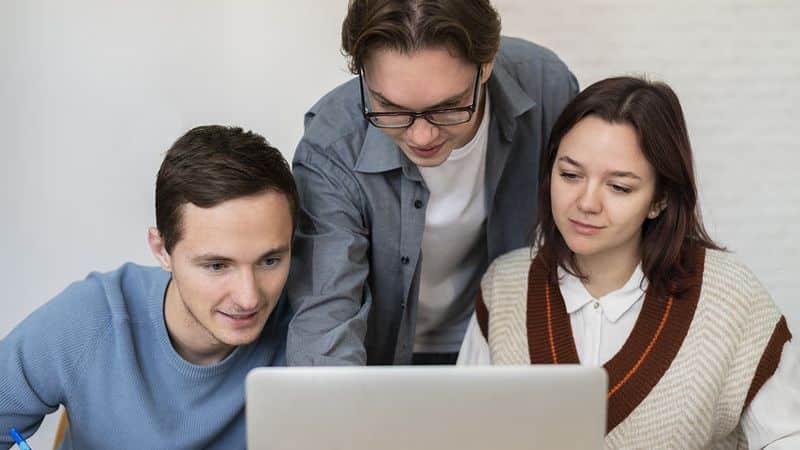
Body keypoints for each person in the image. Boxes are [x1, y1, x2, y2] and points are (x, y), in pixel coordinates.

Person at [457, 77, 800, 447]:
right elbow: (462, 435)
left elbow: (784, 438)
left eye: (619, 187)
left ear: (660, 199)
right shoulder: (504, 288)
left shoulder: (730, 297)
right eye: (570, 175)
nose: (586, 203)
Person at [287, 0, 578, 365]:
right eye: (390, 109)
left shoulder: (546, 88)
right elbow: (325, 317)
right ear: (361, 74)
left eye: (448, 107)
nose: (422, 137)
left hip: (507, 349)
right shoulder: (331, 145)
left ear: (486, 64)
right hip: (381, 356)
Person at [0, 126, 298, 449]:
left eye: (269, 261)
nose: (249, 297)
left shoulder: (310, 328)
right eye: (217, 266)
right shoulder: (91, 320)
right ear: (162, 250)